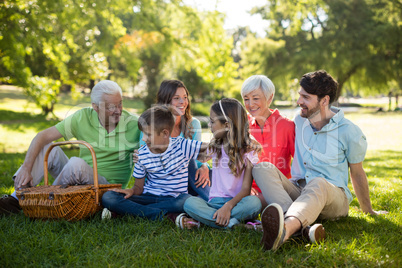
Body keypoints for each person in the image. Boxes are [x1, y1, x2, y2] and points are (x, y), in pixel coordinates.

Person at [253, 70, 387, 251]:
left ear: (324, 100)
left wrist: (368, 210)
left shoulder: (348, 131)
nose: (299, 101)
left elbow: (357, 172)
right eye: (300, 95)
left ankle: (284, 230)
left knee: (318, 182)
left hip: (333, 198)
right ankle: (301, 228)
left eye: (306, 97)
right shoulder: (299, 121)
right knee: (262, 168)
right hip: (300, 191)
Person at [0, 80, 140, 216]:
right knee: (49, 148)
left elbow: (157, 147)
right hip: (80, 178)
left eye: (120, 104)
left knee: (76, 164)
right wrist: (26, 167)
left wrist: (143, 155)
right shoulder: (82, 117)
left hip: (108, 188)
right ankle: (15, 199)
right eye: (110, 107)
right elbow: (42, 136)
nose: (118, 111)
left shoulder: (135, 124)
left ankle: (47, 202)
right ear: (95, 107)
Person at [101, 105, 208, 221]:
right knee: (109, 197)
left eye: (148, 134)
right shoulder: (141, 154)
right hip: (148, 197)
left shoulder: (182, 145)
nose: (144, 139)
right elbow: (138, 188)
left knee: (186, 201)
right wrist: (131, 190)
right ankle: (166, 216)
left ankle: (127, 212)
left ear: (165, 134)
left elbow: (212, 148)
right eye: (143, 133)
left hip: (174, 199)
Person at [179, 98, 262, 229]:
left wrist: (228, 207)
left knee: (255, 203)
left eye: (212, 122)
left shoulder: (249, 149)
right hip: (214, 203)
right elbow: (198, 158)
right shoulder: (216, 144)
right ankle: (233, 224)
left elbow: (246, 189)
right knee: (189, 203)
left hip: (237, 203)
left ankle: (210, 221)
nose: (210, 126)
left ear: (227, 125)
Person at [138, 80, 210, 201]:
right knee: (187, 159)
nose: (182, 102)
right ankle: (205, 202)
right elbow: (144, 157)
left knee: (198, 165)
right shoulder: (151, 124)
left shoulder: (193, 124)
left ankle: (214, 201)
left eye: (185, 97)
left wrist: (204, 166)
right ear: (166, 101)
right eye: (176, 98)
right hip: (159, 183)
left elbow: (199, 156)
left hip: (187, 181)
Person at [241, 75, 295, 208]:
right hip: (246, 191)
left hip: (276, 190)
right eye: (246, 99)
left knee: (248, 204)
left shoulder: (287, 126)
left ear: (269, 98)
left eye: (255, 98)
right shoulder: (242, 125)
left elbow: (300, 166)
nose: (250, 104)